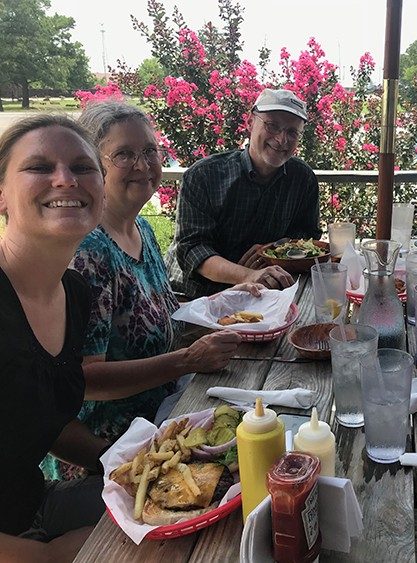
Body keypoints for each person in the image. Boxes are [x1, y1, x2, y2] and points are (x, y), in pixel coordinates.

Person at [42, 102, 261, 482]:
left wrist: (231, 299)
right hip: (117, 457)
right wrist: (186, 360)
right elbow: (85, 381)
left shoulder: (139, 228)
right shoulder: (89, 253)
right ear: (95, 167)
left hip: (167, 415)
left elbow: (155, 310)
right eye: (124, 154)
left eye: (150, 151)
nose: (143, 165)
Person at [0, 115, 106, 559]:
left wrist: (123, 463)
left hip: (36, 507)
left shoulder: (74, 294)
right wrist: (53, 555)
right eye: (39, 167)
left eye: (83, 168)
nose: (65, 180)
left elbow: (38, 414)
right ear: (1, 193)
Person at [165, 88, 320, 299]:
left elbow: (306, 236)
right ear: (250, 122)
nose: (282, 139)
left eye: (292, 132)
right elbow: (193, 250)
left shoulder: (303, 178)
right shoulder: (204, 175)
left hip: (266, 295)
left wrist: (271, 250)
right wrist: (249, 274)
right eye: (272, 125)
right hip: (197, 297)